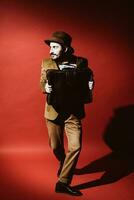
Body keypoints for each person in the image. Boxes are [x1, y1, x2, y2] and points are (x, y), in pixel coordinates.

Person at [40, 31, 94, 196]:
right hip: (53, 112)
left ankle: (63, 182)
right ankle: (64, 162)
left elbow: (88, 77)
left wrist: (91, 84)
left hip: (73, 113)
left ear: (66, 48)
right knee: (56, 147)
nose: (51, 50)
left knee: (75, 146)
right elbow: (42, 81)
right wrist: (45, 88)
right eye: (51, 47)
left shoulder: (80, 62)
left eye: (55, 47)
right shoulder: (46, 62)